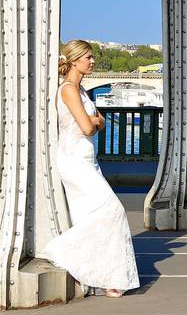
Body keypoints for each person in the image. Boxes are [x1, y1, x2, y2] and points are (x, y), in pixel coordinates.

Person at [40, 40, 140, 297]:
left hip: (87, 160)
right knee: (113, 210)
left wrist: (95, 121)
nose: (93, 61)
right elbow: (89, 127)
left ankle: (105, 277)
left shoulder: (82, 90)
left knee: (92, 216)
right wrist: (95, 121)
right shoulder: (69, 90)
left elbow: (100, 122)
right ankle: (60, 250)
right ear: (75, 60)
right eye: (89, 57)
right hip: (74, 162)